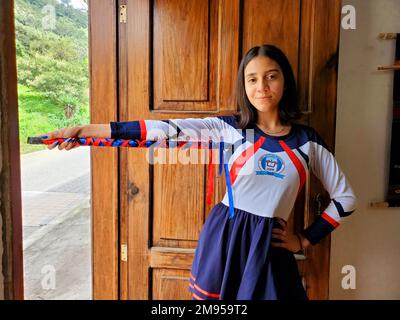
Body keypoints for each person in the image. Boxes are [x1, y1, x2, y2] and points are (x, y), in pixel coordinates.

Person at [40, 44, 357, 300]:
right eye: (252, 78)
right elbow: (161, 130)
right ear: (243, 85)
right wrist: (84, 131)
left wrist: (303, 240)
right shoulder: (228, 129)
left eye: (271, 76)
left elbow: (345, 198)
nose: (262, 86)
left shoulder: (307, 141)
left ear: (284, 80)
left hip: (269, 248)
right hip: (226, 238)